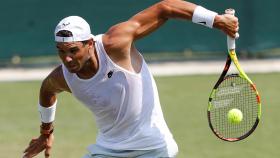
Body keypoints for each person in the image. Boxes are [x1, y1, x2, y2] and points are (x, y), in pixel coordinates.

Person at [23, 0, 239, 157]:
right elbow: (47, 90)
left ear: (89, 43)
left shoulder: (116, 44)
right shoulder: (63, 76)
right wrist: (45, 132)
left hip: (152, 149)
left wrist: (216, 20)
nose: (67, 58)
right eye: (60, 51)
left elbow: (164, 8)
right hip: (107, 150)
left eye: (73, 50)